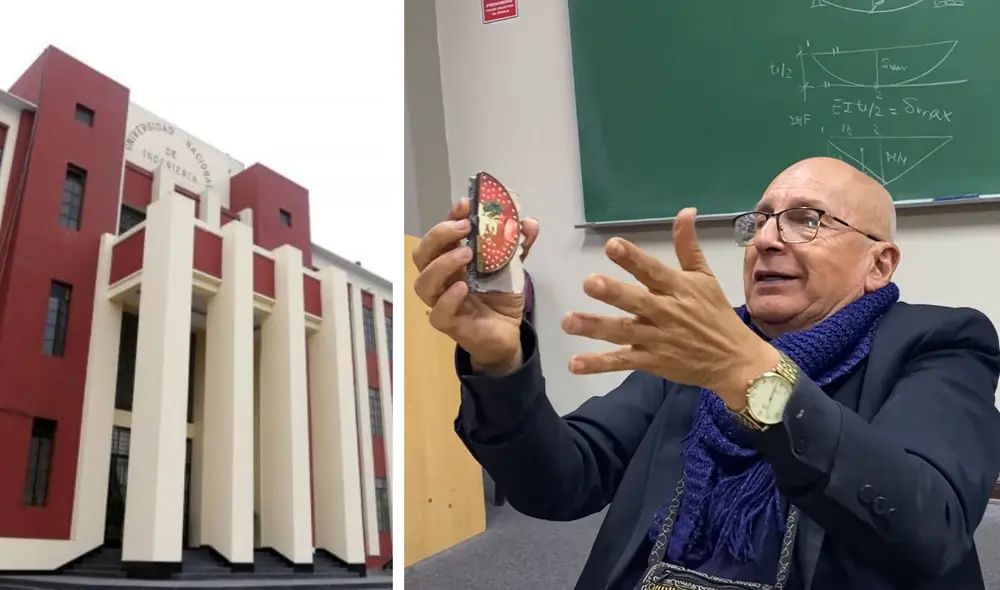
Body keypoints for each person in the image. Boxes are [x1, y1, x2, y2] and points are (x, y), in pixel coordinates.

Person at [410, 157, 1000, 590]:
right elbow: (561, 483)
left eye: (807, 220)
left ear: (880, 263)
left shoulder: (940, 342)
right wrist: (498, 361)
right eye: (761, 221)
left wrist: (748, 372)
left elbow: (927, 529)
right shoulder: (698, 344)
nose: (766, 240)